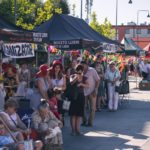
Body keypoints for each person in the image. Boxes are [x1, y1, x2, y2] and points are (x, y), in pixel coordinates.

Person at [68, 65, 88, 135]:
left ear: (82, 71)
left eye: (80, 72)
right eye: (77, 71)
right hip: (73, 96)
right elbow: (71, 83)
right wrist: (76, 77)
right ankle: (73, 130)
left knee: (79, 115)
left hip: (80, 96)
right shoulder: (72, 76)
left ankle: (78, 130)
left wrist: (81, 84)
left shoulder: (84, 77)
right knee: (73, 114)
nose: (78, 73)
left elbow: (88, 85)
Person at [81, 61, 100, 127]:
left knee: (92, 108)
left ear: (87, 65)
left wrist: (95, 89)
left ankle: (90, 122)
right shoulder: (80, 71)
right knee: (82, 107)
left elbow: (97, 80)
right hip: (83, 92)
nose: (82, 66)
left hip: (92, 91)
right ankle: (84, 121)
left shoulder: (92, 70)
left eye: (84, 65)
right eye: (81, 65)